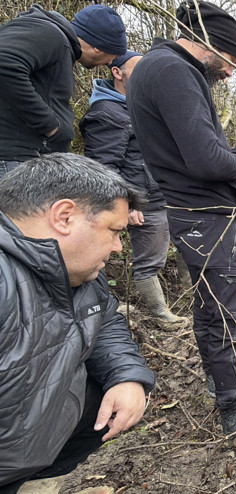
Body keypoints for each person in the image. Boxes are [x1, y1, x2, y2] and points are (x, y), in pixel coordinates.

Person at [127, 0, 236, 439]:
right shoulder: (173, 71)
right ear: (209, 44)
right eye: (231, 61)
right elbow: (205, 160)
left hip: (194, 213)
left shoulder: (158, 67)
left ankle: (224, 384)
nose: (230, 72)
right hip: (204, 216)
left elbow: (194, 150)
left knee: (211, 307)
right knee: (229, 313)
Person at [0, 154, 156, 493]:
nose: (118, 248)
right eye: (114, 232)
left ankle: (37, 483)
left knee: (105, 398)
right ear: (64, 216)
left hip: (26, 442)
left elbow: (103, 319)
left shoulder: (76, 268)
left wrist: (126, 376)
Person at [79, 50, 189, 330]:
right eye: (137, 69)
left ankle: (192, 300)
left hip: (164, 197)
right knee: (148, 262)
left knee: (189, 248)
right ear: (117, 72)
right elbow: (103, 168)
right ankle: (160, 315)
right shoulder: (106, 113)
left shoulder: (140, 107)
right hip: (142, 202)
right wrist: (125, 205)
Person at [0, 4, 127, 178]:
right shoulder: (50, 33)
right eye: (114, 55)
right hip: (13, 159)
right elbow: (5, 64)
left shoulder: (58, 42)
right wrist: (50, 126)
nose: (111, 63)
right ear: (99, 46)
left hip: (23, 159)